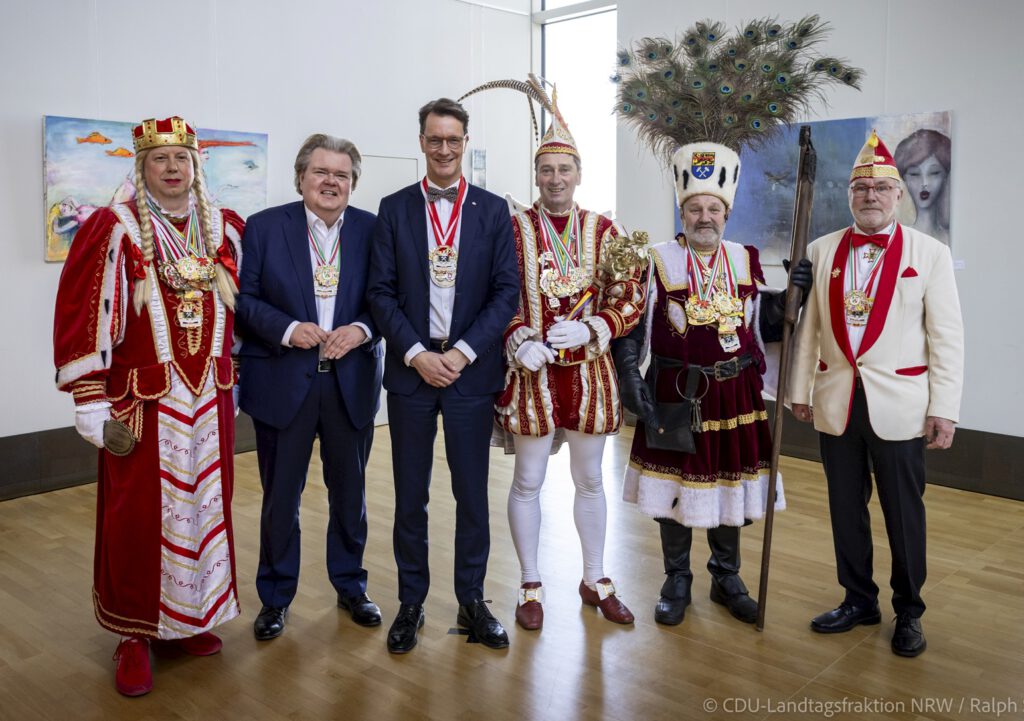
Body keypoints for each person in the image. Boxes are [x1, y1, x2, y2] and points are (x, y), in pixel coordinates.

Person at [53, 116, 244, 696]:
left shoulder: (220, 230)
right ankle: (134, 633)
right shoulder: (114, 228)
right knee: (137, 521)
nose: (171, 169)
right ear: (142, 167)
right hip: (143, 404)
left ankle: (186, 621)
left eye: (180, 159)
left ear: (194, 167)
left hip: (209, 400)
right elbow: (81, 313)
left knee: (207, 509)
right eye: (159, 159)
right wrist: (89, 398)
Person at [612, 140, 810, 626]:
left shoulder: (745, 259)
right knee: (674, 490)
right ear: (682, 212)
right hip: (676, 393)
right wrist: (629, 377)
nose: (705, 216)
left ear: (726, 212)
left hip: (735, 393)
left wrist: (792, 298)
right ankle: (676, 579)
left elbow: (760, 325)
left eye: (714, 208)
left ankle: (727, 577)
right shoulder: (655, 260)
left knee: (730, 485)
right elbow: (634, 328)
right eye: (695, 208)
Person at [790, 130, 964, 657]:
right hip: (838, 401)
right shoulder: (821, 251)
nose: (871, 195)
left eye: (882, 187)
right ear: (849, 195)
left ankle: (909, 610)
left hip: (903, 406)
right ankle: (858, 599)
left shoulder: (929, 254)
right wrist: (799, 391)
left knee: (903, 514)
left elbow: (947, 337)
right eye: (861, 187)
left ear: (898, 195)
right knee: (846, 508)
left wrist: (945, 410)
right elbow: (810, 331)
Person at [366, 98, 520, 653]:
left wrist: (460, 353)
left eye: (454, 140)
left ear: (466, 141)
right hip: (412, 374)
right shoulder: (394, 207)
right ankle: (411, 602)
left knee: (471, 495)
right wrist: (414, 352)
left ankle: (472, 600)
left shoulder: (494, 209)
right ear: (422, 142)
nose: (445, 149)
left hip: (469, 374)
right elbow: (379, 292)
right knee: (410, 495)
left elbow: (507, 293)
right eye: (435, 140)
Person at [494, 85, 645, 630]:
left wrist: (597, 323)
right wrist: (517, 337)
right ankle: (530, 583)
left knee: (589, 482)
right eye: (547, 170)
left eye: (565, 169)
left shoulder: (605, 230)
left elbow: (630, 293)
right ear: (537, 176)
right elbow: (496, 293)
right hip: (531, 377)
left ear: (579, 173)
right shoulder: (511, 229)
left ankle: (596, 577)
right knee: (527, 482)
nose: (555, 179)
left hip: (589, 376)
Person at [235, 135, 383, 640]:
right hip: (283, 381)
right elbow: (245, 300)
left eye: (341, 175)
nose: (330, 182)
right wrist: (287, 329)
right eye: (321, 172)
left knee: (350, 496)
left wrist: (362, 329)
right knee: (281, 499)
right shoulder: (264, 227)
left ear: (352, 183)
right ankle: (275, 598)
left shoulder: (372, 230)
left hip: (351, 384)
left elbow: (388, 300)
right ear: (301, 177)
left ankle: (351, 585)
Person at [893, 128, 951, 245]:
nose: (924, 182)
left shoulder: (948, 238)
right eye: (914, 174)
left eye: (934, 173)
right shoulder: (897, 239)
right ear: (904, 178)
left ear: (945, 176)